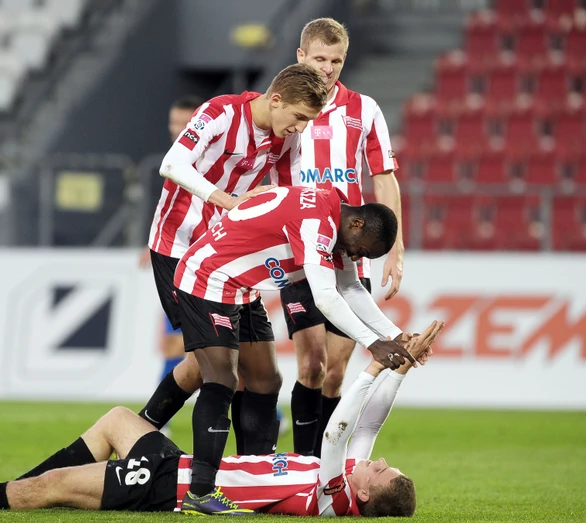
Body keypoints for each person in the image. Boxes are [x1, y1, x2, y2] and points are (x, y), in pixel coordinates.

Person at [0, 321, 443, 516]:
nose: (380, 461)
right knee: (119, 419)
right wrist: (403, 368)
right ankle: (12, 488)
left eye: (381, 471)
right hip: (183, 465)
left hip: (168, 488)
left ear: (363, 495)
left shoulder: (334, 495)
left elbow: (342, 429)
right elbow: (369, 426)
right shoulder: (350, 479)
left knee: (50, 488)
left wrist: (374, 366)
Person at [171, 185, 418, 514]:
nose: (357, 256)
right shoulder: (318, 223)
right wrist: (374, 344)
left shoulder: (335, 222)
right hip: (208, 276)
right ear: (357, 224)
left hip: (241, 288)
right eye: (362, 250)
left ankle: (253, 470)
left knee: (266, 381)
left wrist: (395, 336)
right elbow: (326, 298)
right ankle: (200, 491)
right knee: (221, 379)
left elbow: (350, 288)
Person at [138, 63, 329, 481]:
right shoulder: (221, 112)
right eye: (298, 117)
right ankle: (155, 453)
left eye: (307, 122)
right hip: (180, 251)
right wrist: (230, 201)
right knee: (216, 370)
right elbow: (172, 164)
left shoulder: (288, 138)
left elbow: (291, 195)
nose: (300, 128)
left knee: (262, 376)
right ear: (275, 100)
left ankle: (253, 478)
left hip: (230, 262)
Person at [274, 17, 407, 457]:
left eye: (336, 61)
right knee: (311, 365)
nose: (328, 69)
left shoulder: (364, 109)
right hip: (297, 251)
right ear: (301, 56)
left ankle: (321, 465)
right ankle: (304, 463)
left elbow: (384, 178)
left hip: (350, 253)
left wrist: (396, 247)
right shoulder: (284, 106)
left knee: (335, 372)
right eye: (319, 59)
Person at [139, 95, 205, 405]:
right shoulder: (173, 161)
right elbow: (170, 210)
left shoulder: (210, 161)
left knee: (207, 344)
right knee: (178, 341)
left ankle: (270, 414)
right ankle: (159, 414)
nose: (177, 129)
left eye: (184, 123)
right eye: (173, 123)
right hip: (176, 257)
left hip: (205, 260)